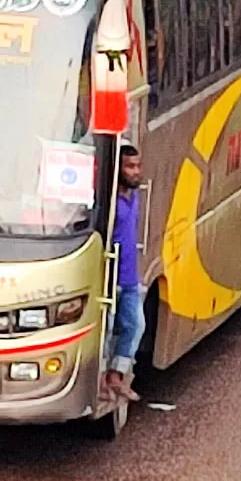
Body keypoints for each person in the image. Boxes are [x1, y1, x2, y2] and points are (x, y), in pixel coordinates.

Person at [106, 144, 144, 402]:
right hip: (111, 278)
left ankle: (116, 375)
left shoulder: (135, 196)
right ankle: (102, 379)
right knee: (106, 332)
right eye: (130, 167)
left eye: (137, 166)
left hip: (130, 278)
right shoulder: (109, 202)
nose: (136, 172)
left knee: (136, 326)